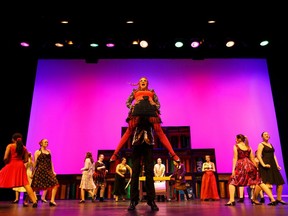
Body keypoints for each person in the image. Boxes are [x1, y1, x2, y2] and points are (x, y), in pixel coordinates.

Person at [109, 77, 180, 163]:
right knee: (129, 130)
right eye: (141, 81)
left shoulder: (152, 92)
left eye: (145, 80)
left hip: (150, 110)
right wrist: (132, 106)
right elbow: (128, 102)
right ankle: (116, 153)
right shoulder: (135, 92)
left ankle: (173, 154)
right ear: (139, 83)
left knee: (159, 131)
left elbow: (158, 105)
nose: (143, 82)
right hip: (138, 111)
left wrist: (154, 104)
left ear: (147, 83)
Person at [225, 134, 277, 206]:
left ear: (239, 139)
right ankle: (272, 199)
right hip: (250, 166)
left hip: (241, 165)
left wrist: (233, 169)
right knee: (259, 182)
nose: (235, 140)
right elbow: (252, 158)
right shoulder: (248, 147)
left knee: (232, 181)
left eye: (236, 139)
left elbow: (235, 158)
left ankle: (231, 200)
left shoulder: (236, 146)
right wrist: (256, 168)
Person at [0, 133, 38, 208]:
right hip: (20, 165)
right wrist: (20, 162)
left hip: (11, 164)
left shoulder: (10, 146)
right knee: (26, 184)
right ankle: (34, 201)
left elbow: (5, 158)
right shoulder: (24, 148)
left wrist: (7, 163)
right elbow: (26, 160)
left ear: (13, 139)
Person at [256, 131, 286, 205]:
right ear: (262, 137)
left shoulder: (270, 144)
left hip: (272, 164)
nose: (266, 135)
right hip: (265, 165)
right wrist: (263, 165)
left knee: (280, 182)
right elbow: (259, 155)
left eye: (267, 134)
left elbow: (274, 156)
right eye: (265, 134)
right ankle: (270, 199)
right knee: (266, 183)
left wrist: (277, 165)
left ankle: (279, 199)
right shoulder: (261, 144)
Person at [31, 138, 59, 207]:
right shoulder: (37, 152)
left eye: (47, 142)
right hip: (40, 171)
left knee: (55, 184)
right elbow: (35, 163)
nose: (47, 143)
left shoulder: (49, 151)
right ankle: (26, 200)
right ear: (41, 143)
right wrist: (32, 173)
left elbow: (51, 162)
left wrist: (53, 171)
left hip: (48, 170)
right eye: (45, 142)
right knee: (35, 187)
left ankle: (52, 201)